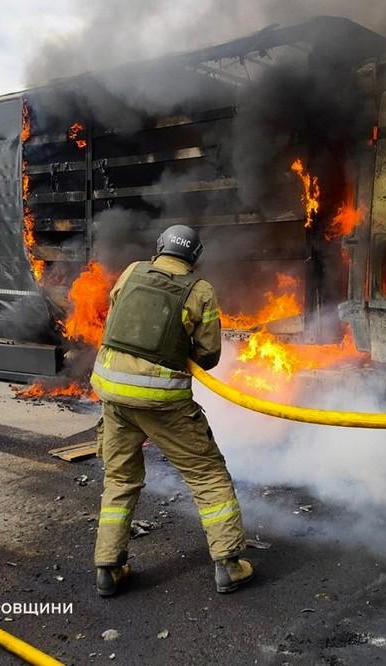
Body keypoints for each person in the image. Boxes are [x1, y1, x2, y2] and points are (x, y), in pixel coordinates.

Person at [89, 224, 252, 597]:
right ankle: (228, 564)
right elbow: (209, 356)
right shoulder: (200, 291)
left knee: (119, 479)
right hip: (161, 402)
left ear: (159, 248)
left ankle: (108, 569)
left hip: (113, 394)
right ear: (194, 257)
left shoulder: (131, 271)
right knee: (208, 474)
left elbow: (115, 318)